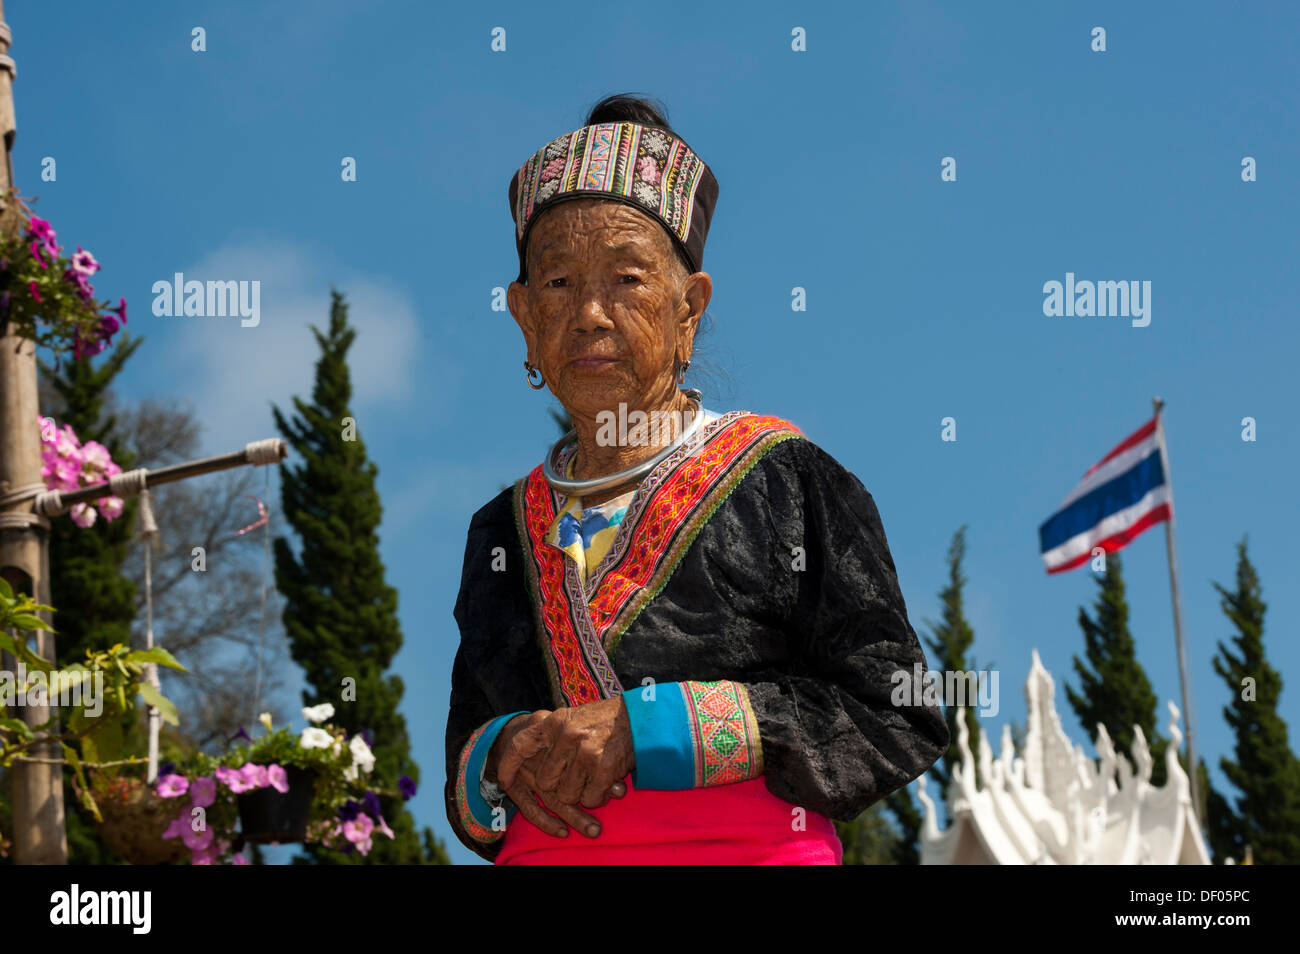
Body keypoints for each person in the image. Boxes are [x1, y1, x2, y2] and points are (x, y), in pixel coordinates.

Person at [444, 93, 948, 864]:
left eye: (627, 279)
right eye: (556, 285)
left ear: (690, 306)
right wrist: (504, 748)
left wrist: (649, 728)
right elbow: (465, 769)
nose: (589, 314)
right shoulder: (501, 529)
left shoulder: (786, 480)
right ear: (520, 315)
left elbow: (898, 711)